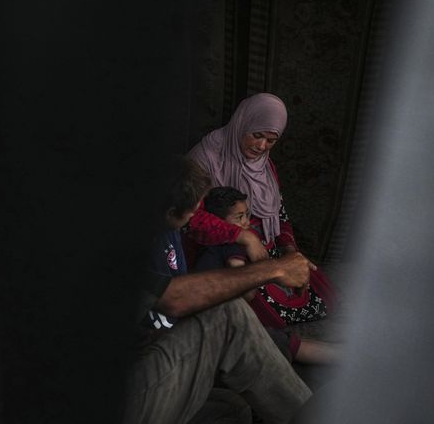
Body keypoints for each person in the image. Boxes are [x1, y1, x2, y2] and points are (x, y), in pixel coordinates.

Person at [123, 157, 315, 424]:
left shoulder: (169, 223)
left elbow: (201, 222)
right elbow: (173, 298)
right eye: (192, 210)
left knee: (231, 409)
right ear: (168, 211)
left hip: (146, 359)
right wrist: (274, 269)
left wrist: (243, 237)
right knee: (226, 317)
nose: (196, 215)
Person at [185, 93, 335, 327]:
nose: (261, 146)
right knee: (261, 305)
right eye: (257, 135)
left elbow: (279, 213)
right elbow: (190, 219)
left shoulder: (264, 164)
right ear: (242, 123)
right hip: (222, 251)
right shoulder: (205, 159)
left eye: (271, 140)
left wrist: (288, 250)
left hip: (265, 249)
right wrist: (243, 237)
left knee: (321, 292)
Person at [196, 185, 339, 365]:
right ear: (219, 222)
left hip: (212, 309)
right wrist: (266, 274)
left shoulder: (209, 244)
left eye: (247, 215)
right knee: (284, 342)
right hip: (220, 316)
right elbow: (245, 288)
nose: (247, 223)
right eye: (239, 218)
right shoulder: (233, 245)